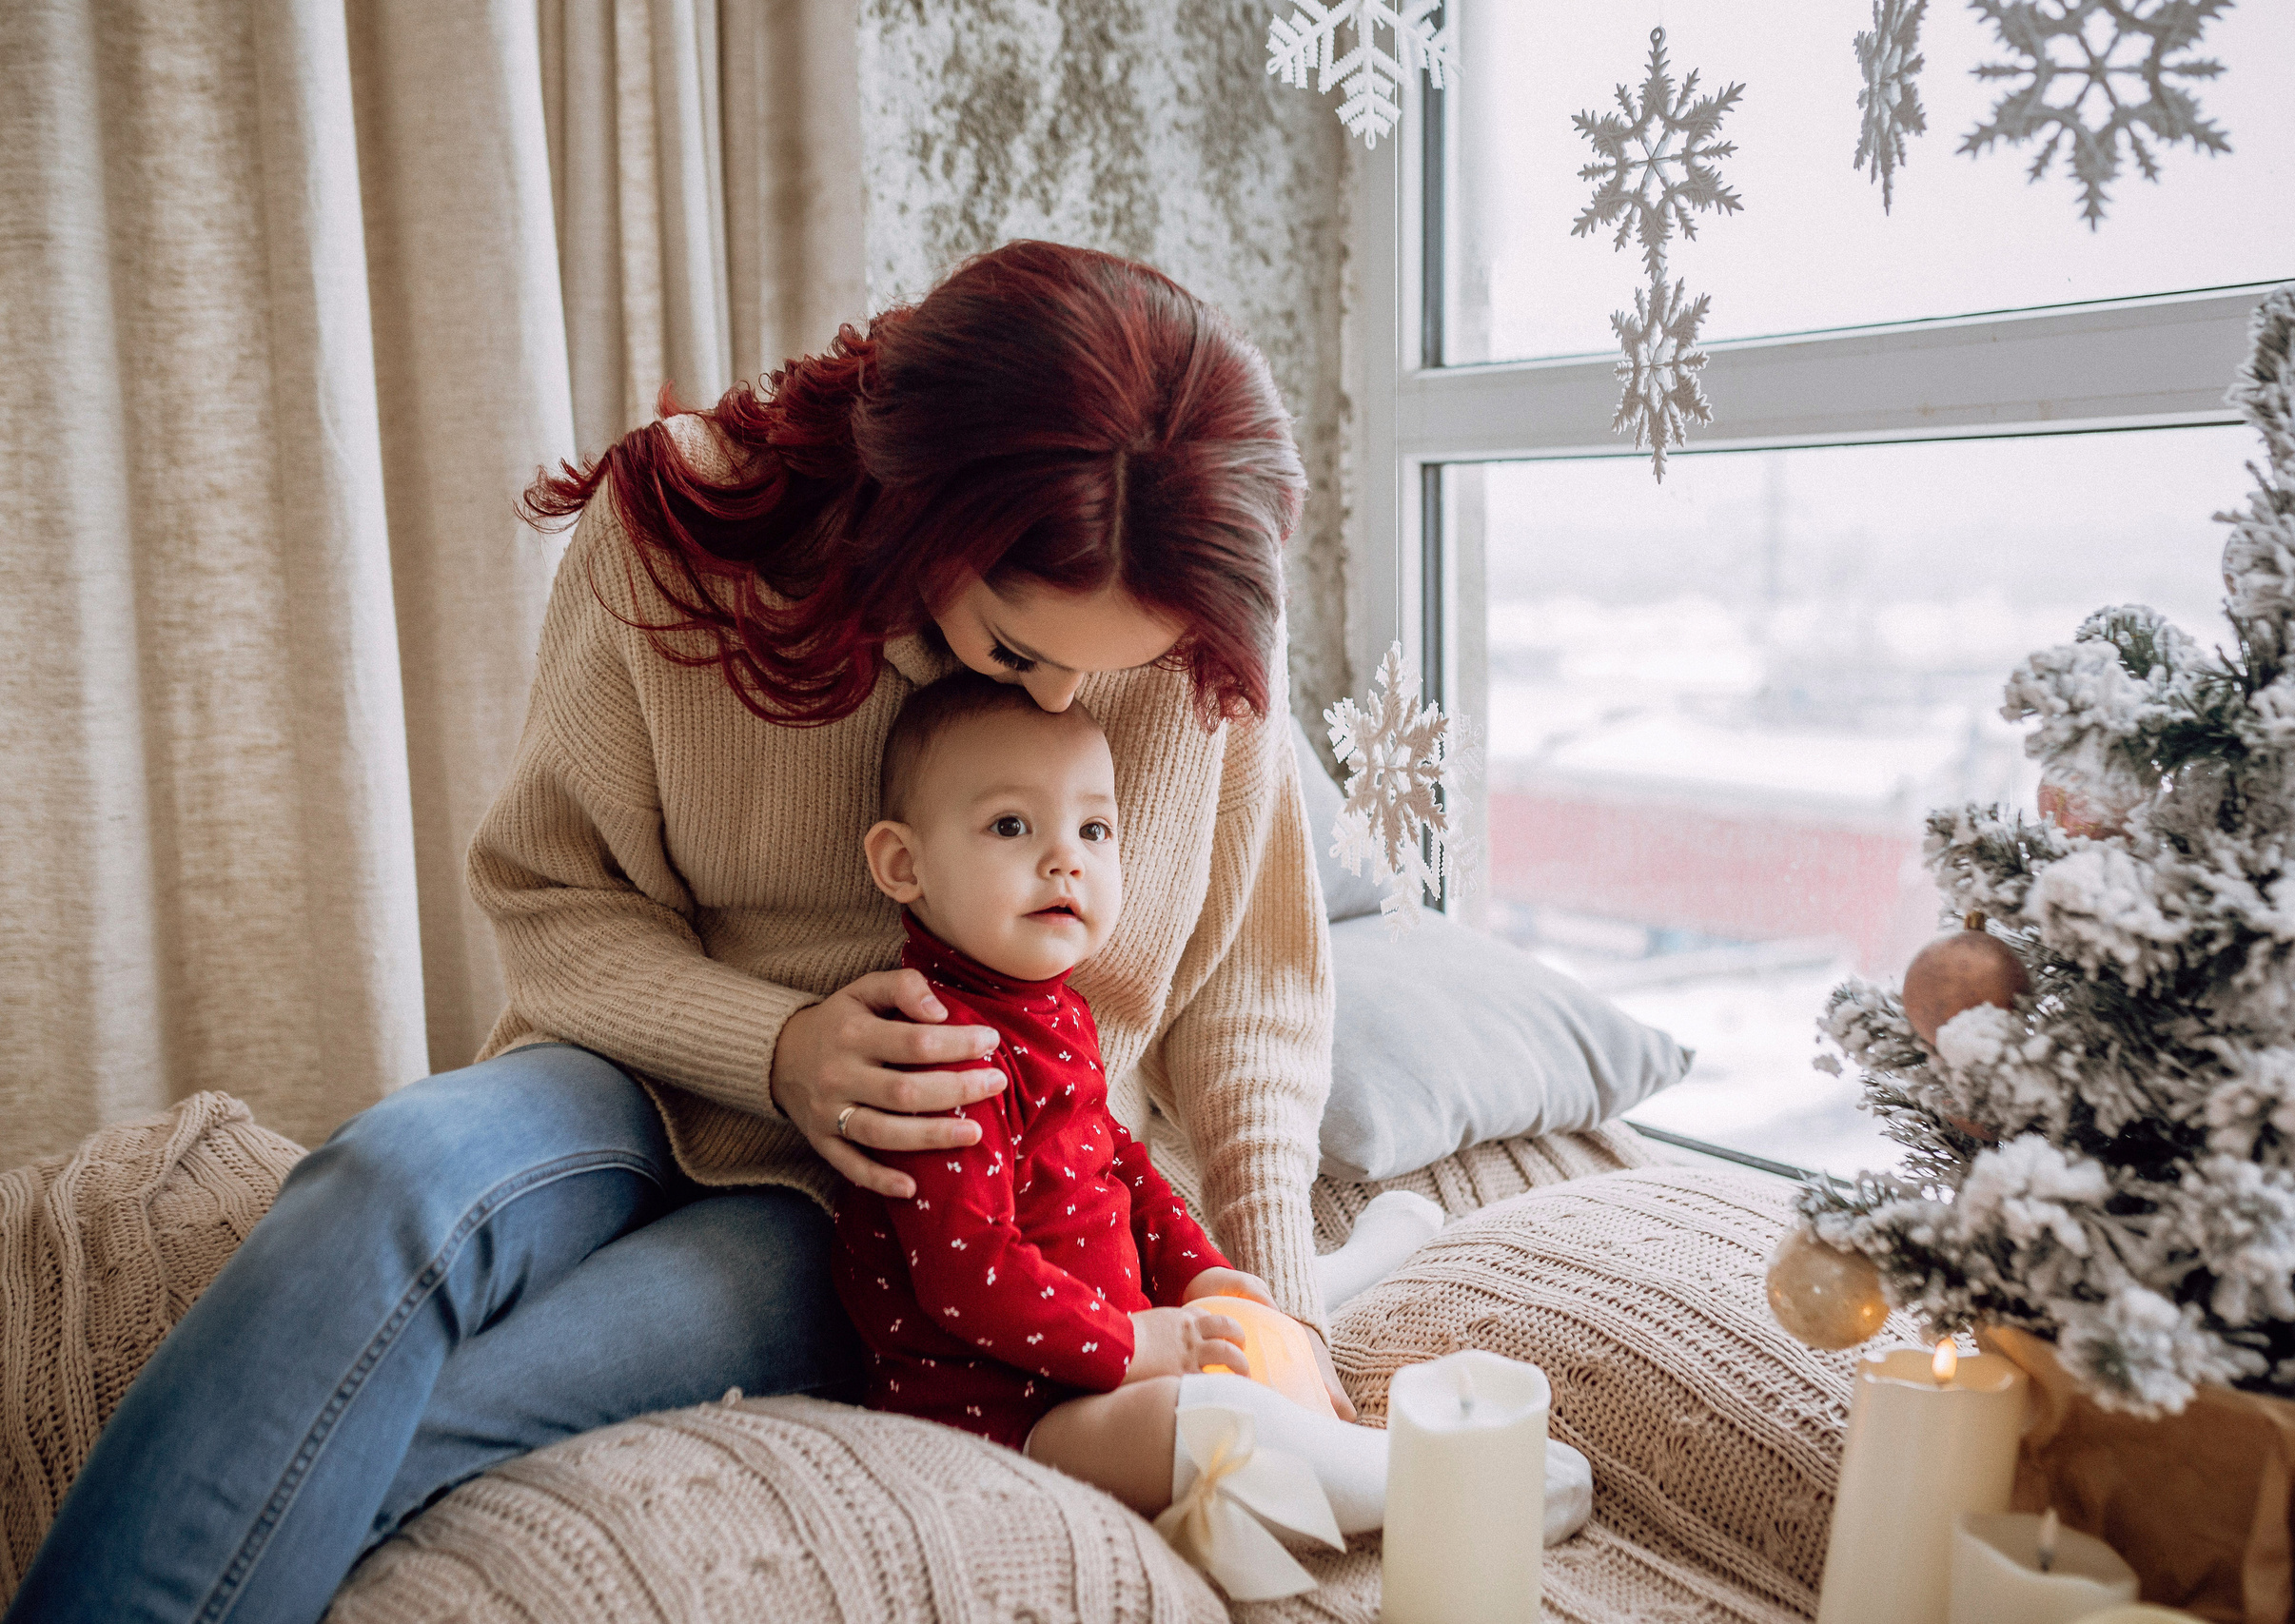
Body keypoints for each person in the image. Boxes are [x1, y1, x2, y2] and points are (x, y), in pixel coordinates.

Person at [7, 241, 1342, 1624]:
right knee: (390, 1172)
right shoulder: (680, 528)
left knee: (439, 1414)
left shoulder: (1192, 624)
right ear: (917, 509)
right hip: (629, 1072)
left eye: (1106, 673)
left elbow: (1255, 994)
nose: (1069, 697)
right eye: (1017, 651)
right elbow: (550, 892)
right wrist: (777, 1045)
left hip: (881, 1197)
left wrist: (1282, 1306)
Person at [835, 674, 1592, 1601]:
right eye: (1009, 827)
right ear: (903, 865)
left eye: (1093, 831)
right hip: (1007, 1412)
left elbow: (1122, 1166)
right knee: (1213, 1412)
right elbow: (968, 1280)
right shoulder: (932, 1048)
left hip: (1109, 1339)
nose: (1065, 860)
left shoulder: (1049, 1011)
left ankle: (1352, 1265)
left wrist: (1197, 1270)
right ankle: (1427, 1484)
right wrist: (1129, 1346)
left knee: (1243, 1315)